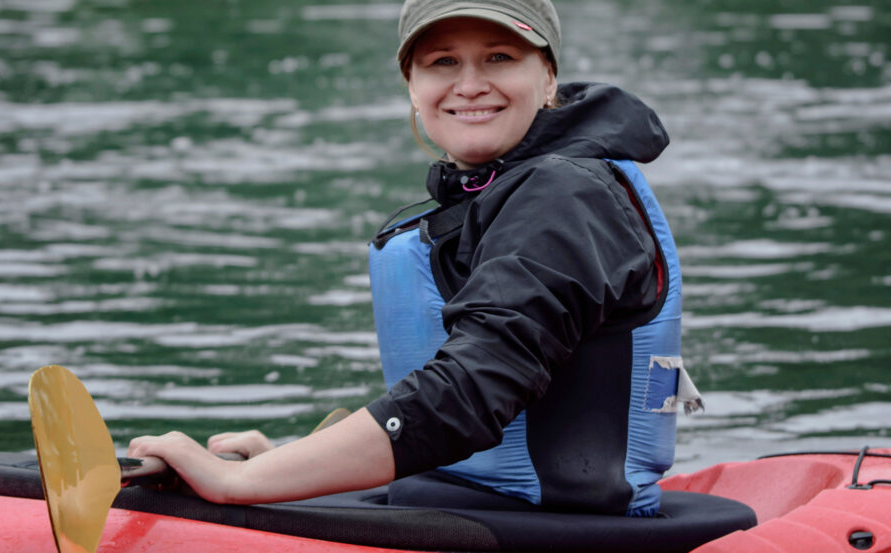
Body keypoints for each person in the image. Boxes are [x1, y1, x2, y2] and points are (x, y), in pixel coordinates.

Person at [128, 0, 700, 516]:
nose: (470, 85)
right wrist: (291, 461)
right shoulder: (501, 192)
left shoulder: (564, 196)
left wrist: (243, 484)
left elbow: (470, 392)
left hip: (547, 527)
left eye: (499, 57)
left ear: (548, 76)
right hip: (466, 500)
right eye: (442, 62)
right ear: (411, 86)